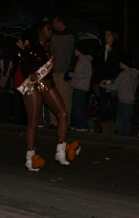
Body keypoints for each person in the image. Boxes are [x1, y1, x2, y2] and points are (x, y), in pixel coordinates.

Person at [18, 20, 80, 171]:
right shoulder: (31, 46)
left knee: (63, 113)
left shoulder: (50, 47)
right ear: (40, 31)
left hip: (47, 83)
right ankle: (30, 157)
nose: (50, 31)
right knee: (33, 121)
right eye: (47, 29)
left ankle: (60, 151)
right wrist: (30, 73)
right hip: (32, 85)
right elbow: (23, 66)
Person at [101, 54, 139, 137]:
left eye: (121, 62)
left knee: (122, 123)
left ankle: (124, 140)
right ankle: (125, 140)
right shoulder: (134, 74)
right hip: (129, 101)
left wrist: (103, 86)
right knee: (126, 122)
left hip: (123, 101)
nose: (119, 63)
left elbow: (115, 86)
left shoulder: (124, 74)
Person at [50, 15, 78, 127]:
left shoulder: (71, 35)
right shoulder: (52, 35)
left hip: (64, 72)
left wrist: (70, 69)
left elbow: (75, 54)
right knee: (52, 98)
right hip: (53, 71)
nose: (53, 25)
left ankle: (65, 122)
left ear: (61, 23)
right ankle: (54, 121)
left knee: (65, 98)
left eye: (55, 22)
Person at [70, 42, 93, 132]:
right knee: (75, 105)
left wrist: (73, 75)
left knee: (79, 106)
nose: (75, 51)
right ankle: (77, 124)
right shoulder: (79, 60)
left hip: (81, 87)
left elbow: (87, 74)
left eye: (77, 49)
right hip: (76, 86)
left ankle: (84, 125)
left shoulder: (86, 61)